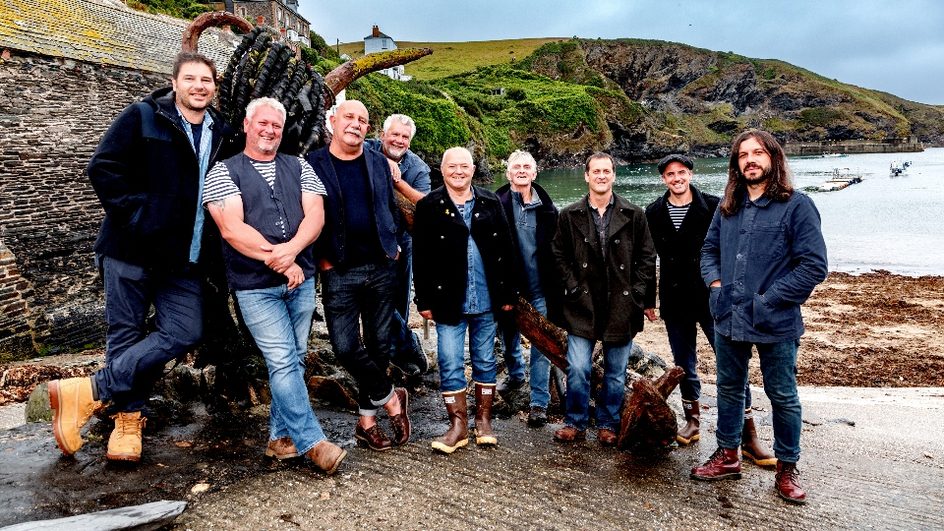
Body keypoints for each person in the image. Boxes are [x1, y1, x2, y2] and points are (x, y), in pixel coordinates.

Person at [48, 52, 240, 462]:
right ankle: (128, 422)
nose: (199, 86)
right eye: (191, 79)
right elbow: (103, 168)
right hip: (130, 250)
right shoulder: (143, 116)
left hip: (182, 259)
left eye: (206, 80)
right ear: (175, 83)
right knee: (126, 332)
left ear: (214, 87)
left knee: (186, 330)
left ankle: (88, 391)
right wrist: (139, 216)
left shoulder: (222, 132)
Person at [203, 97, 345, 474]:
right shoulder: (223, 172)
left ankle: (279, 440)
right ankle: (312, 441)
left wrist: (294, 253)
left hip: (300, 280)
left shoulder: (298, 166)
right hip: (255, 287)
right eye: (262, 123)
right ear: (247, 125)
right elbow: (232, 229)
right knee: (282, 359)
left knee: (294, 359)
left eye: (276, 126)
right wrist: (279, 261)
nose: (269, 131)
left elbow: (316, 214)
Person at [692, 129, 827, 505]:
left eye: (757, 153)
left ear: (773, 158)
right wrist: (716, 286)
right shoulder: (727, 206)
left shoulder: (797, 206)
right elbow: (708, 250)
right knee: (729, 389)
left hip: (776, 321)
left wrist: (768, 300)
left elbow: (813, 265)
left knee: (782, 395)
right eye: (742, 155)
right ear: (736, 164)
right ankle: (728, 455)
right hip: (728, 317)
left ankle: (787, 468)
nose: (750, 160)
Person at [644, 154, 775, 466]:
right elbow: (647, 258)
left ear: (690, 174)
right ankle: (692, 419)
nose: (676, 178)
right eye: (670, 174)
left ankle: (748, 433)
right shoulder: (653, 211)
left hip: (713, 296)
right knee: (684, 362)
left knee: (730, 362)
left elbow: (732, 249)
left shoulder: (716, 205)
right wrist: (648, 300)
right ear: (664, 179)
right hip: (675, 299)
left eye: (681, 172)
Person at [305, 100, 410, 452]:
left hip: (382, 266)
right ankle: (391, 399)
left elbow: (390, 208)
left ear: (368, 129)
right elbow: (305, 214)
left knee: (380, 347)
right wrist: (322, 260)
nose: (356, 124)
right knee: (346, 346)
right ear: (332, 121)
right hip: (339, 270)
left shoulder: (380, 162)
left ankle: (367, 420)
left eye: (363, 120)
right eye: (349, 117)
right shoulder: (313, 163)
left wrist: (393, 245)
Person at [413, 147, 518, 454]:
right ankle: (457, 426)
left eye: (464, 166)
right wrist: (423, 298)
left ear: (473, 170)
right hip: (448, 300)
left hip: (487, 297)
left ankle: (483, 421)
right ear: (442, 170)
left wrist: (509, 292)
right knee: (449, 360)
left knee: (486, 359)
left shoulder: (490, 201)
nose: (458, 172)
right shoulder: (430, 205)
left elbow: (507, 248)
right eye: (452, 167)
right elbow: (421, 257)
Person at [551, 152, 656, 446]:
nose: (601, 175)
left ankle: (608, 423)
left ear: (613, 175)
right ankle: (575, 421)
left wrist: (639, 296)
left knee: (615, 371)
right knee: (579, 367)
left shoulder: (634, 214)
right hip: (581, 304)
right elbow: (558, 255)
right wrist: (572, 286)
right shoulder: (568, 215)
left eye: (606, 171)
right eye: (595, 171)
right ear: (586, 176)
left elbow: (647, 258)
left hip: (621, 304)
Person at [494, 150, 561, 427]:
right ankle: (515, 374)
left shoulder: (548, 209)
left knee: (541, 345)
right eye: (516, 167)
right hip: (508, 287)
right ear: (508, 173)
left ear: (535, 173)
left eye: (527, 167)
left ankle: (538, 403)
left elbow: (558, 250)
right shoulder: (495, 204)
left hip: (540, 288)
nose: (521, 170)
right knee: (507, 336)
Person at [365, 114, 431, 376]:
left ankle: (398, 355)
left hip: (401, 240)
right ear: (382, 134)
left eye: (405, 137)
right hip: (367, 239)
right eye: (394, 134)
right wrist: (383, 163)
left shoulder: (418, 168)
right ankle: (407, 344)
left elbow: (424, 207)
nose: (399, 140)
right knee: (370, 299)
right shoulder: (367, 149)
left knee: (398, 300)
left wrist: (398, 181)